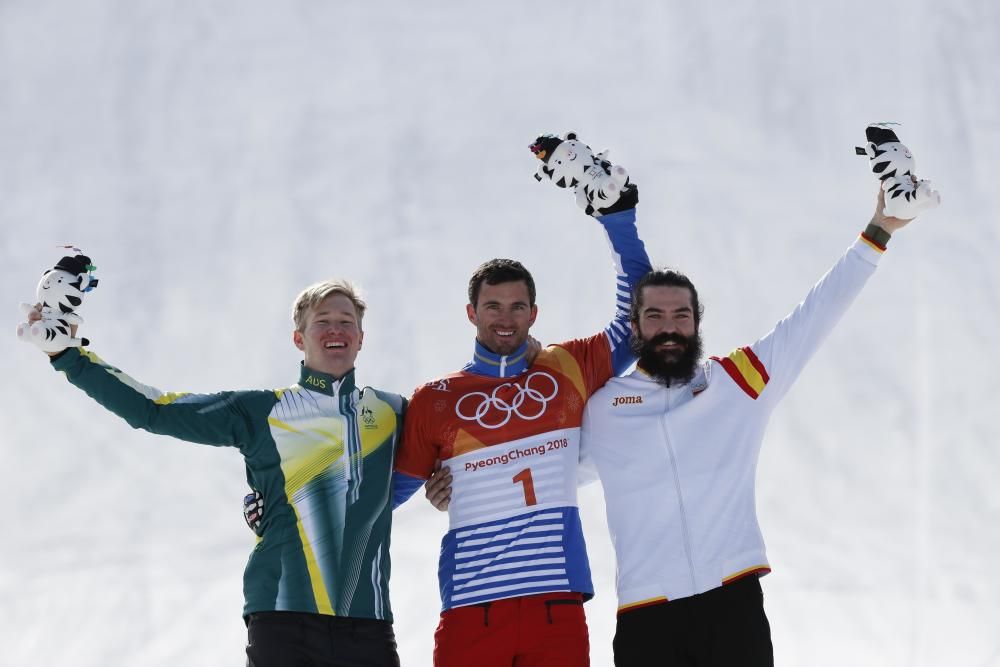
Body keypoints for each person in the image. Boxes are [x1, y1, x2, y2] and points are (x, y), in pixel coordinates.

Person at [579, 186, 928, 666]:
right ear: (634, 327)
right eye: (654, 316)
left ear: (697, 323)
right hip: (646, 618)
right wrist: (450, 479)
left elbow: (813, 317)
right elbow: (537, 465)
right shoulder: (601, 412)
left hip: (731, 609)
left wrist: (879, 230)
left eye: (681, 315)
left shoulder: (737, 384)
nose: (668, 327)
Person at [32, 280, 405, 667]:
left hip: (369, 624)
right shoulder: (260, 411)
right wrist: (67, 355)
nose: (335, 330)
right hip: (283, 616)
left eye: (346, 321)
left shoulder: (393, 413)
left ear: (361, 338)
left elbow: (428, 468)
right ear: (299, 338)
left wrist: (441, 488)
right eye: (322, 321)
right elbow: (154, 410)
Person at [392, 177, 652, 665]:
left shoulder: (567, 370)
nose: (504, 318)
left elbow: (642, 319)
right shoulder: (435, 399)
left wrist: (618, 218)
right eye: (492, 306)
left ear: (534, 313)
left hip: (555, 604)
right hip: (473, 607)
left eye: (516, 307)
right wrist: (279, 506)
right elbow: (379, 499)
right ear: (471, 312)